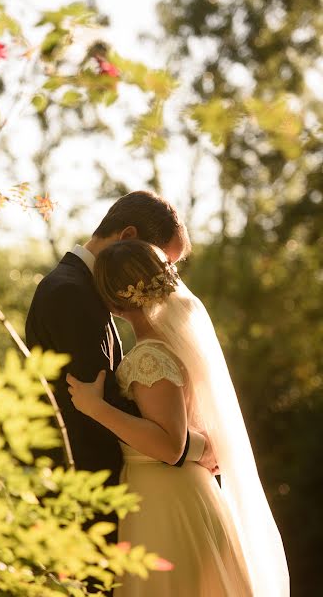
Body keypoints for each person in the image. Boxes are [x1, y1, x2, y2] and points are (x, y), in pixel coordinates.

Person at [67, 239, 290, 597]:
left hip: (166, 501)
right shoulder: (172, 347)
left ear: (113, 303)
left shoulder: (149, 357)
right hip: (173, 493)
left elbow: (171, 445)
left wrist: (97, 409)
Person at [25, 192, 215, 540]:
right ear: (128, 238)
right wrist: (193, 446)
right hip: (85, 501)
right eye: (161, 262)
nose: (164, 279)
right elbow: (95, 405)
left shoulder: (87, 291)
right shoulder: (70, 293)